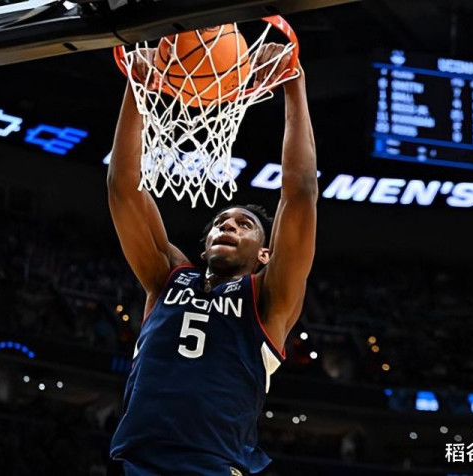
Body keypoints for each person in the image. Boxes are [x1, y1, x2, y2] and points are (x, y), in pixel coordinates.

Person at [107, 41, 318, 475]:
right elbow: (123, 188)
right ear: (203, 247)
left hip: (213, 467)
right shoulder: (168, 277)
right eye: (221, 221)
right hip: (134, 463)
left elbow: (300, 193)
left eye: (244, 224)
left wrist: (294, 83)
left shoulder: (268, 299)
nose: (228, 226)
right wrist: (137, 87)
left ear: (265, 253)